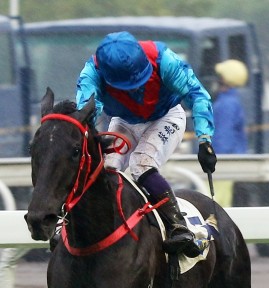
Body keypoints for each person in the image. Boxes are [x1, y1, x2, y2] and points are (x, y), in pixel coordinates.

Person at [75, 31, 218, 258]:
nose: (133, 89)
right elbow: (86, 112)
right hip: (124, 121)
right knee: (107, 170)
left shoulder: (164, 59)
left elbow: (197, 94)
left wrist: (204, 139)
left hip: (166, 117)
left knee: (141, 164)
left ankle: (177, 226)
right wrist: (91, 138)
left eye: (137, 81)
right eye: (126, 85)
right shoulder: (92, 72)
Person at [211, 59, 249, 206]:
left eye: (220, 76)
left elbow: (223, 137)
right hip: (226, 159)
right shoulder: (230, 101)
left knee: (216, 200)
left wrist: (213, 158)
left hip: (221, 162)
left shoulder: (226, 104)